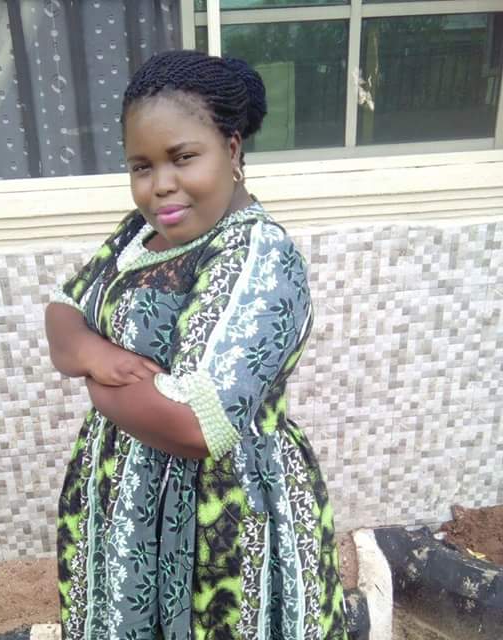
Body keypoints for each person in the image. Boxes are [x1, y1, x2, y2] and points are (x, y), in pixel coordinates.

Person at [45, 49, 348, 640]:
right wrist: (100, 358)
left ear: (231, 149)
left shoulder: (258, 255)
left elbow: (196, 426)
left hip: (222, 520)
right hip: (127, 508)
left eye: (183, 157)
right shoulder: (141, 231)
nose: (160, 185)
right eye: (141, 166)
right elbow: (63, 312)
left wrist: (94, 382)